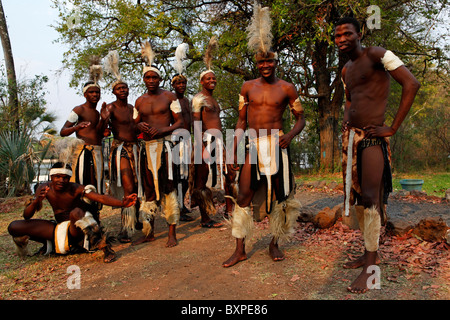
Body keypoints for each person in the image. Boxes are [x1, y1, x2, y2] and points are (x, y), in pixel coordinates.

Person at [335, 17, 420, 293]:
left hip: (373, 138)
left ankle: (371, 270)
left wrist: (391, 128)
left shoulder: (377, 54)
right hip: (353, 138)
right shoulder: (346, 68)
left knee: (372, 199)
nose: (341, 39)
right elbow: (350, 99)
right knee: (360, 197)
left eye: (347, 33)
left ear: (360, 34)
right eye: (337, 36)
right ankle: (369, 252)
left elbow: (411, 83)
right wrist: (348, 121)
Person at [222, 3, 305, 267]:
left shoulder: (287, 88)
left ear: (276, 61)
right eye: (261, 61)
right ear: (256, 63)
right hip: (253, 146)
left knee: (281, 197)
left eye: (270, 60)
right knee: (243, 195)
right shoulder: (247, 88)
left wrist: (290, 136)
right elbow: (240, 121)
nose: (266, 64)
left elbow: (301, 119)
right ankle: (240, 248)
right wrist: (233, 148)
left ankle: (274, 243)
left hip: (277, 146)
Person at [7, 162, 137, 263]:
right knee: (14, 227)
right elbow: (27, 215)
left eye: (65, 178)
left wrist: (122, 203)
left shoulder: (76, 188)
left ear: (69, 178)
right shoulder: (44, 188)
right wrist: (36, 201)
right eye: (57, 177)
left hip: (78, 231)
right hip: (59, 229)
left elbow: (100, 197)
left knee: (76, 212)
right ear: (51, 177)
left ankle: (105, 248)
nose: (61, 181)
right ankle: (49, 244)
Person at [133, 41, 184, 247]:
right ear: (144, 79)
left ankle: (172, 232)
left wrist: (162, 130)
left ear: (160, 78)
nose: (151, 80)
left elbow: (180, 122)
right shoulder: (139, 101)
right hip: (147, 150)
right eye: (148, 77)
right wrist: (141, 127)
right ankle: (149, 231)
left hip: (165, 147)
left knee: (168, 186)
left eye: (154, 77)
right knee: (148, 189)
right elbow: (134, 124)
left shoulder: (169, 96)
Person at [190, 37, 238, 228]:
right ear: (202, 81)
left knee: (229, 175)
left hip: (218, 141)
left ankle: (229, 210)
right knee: (201, 180)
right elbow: (196, 124)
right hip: (205, 141)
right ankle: (205, 217)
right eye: (209, 78)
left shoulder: (214, 100)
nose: (213, 80)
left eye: (214, 78)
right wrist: (201, 146)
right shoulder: (198, 99)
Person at [102, 50, 142, 243]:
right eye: (119, 89)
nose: (123, 91)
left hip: (136, 148)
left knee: (138, 184)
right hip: (121, 151)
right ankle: (126, 227)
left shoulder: (133, 109)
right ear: (114, 91)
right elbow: (103, 130)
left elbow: (138, 128)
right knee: (128, 185)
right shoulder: (110, 108)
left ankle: (137, 219)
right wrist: (103, 120)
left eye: (125, 88)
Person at [60, 58, 108, 194]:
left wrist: (104, 120)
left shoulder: (98, 113)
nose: (95, 95)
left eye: (97, 92)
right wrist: (76, 127)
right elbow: (63, 132)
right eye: (91, 92)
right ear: (85, 94)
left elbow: (98, 133)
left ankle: (95, 211)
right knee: (83, 182)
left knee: (96, 183)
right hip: (83, 152)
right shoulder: (78, 109)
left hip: (97, 152)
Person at [171, 43, 194, 221]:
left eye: (183, 82)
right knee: (178, 175)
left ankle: (182, 204)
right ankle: (177, 206)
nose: (181, 85)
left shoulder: (187, 101)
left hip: (187, 141)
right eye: (178, 83)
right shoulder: (171, 100)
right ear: (173, 85)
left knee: (186, 176)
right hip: (175, 142)